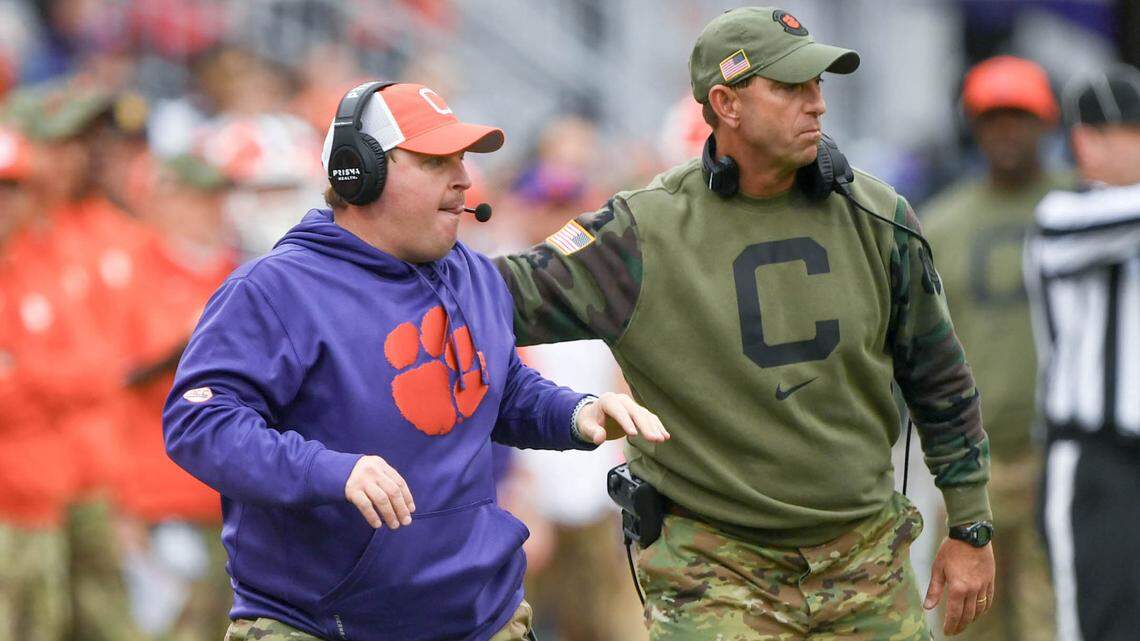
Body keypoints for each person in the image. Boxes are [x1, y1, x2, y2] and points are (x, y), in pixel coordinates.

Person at [495, 7, 994, 639]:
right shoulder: (641, 233)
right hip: (715, 568)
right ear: (727, 103)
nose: (816, 105)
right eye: (791, 87)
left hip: (866, 557)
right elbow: (491, 297)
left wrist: (971, 525)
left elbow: (941, 378)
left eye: (819, 85)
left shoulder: (879, 215)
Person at [162, 81, 669, 641]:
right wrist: (332, 469)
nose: (464, 179)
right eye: (435, 161)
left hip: (480, 617)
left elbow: (496, 386)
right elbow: (198, 423)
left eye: (462, 159)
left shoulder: (472, 272)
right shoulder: (274, 290)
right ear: (360, 171)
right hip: (322, 625)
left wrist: (577, 414)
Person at [920, 55, 1071, 641]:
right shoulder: (939, 222)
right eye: (993, 117)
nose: (1006, 131)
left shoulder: (1083, 206)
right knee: (970, 624)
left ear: (1048, 123)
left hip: (1056, 457)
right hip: (969, 468)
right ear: (973, 127)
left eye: (1020, 116)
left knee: (1055, 619)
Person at [1024, 63, 1140, 641]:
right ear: (1086, 140)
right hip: (1096, 462)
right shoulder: (1063, 215)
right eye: (1133, 132)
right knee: (1100, 626)